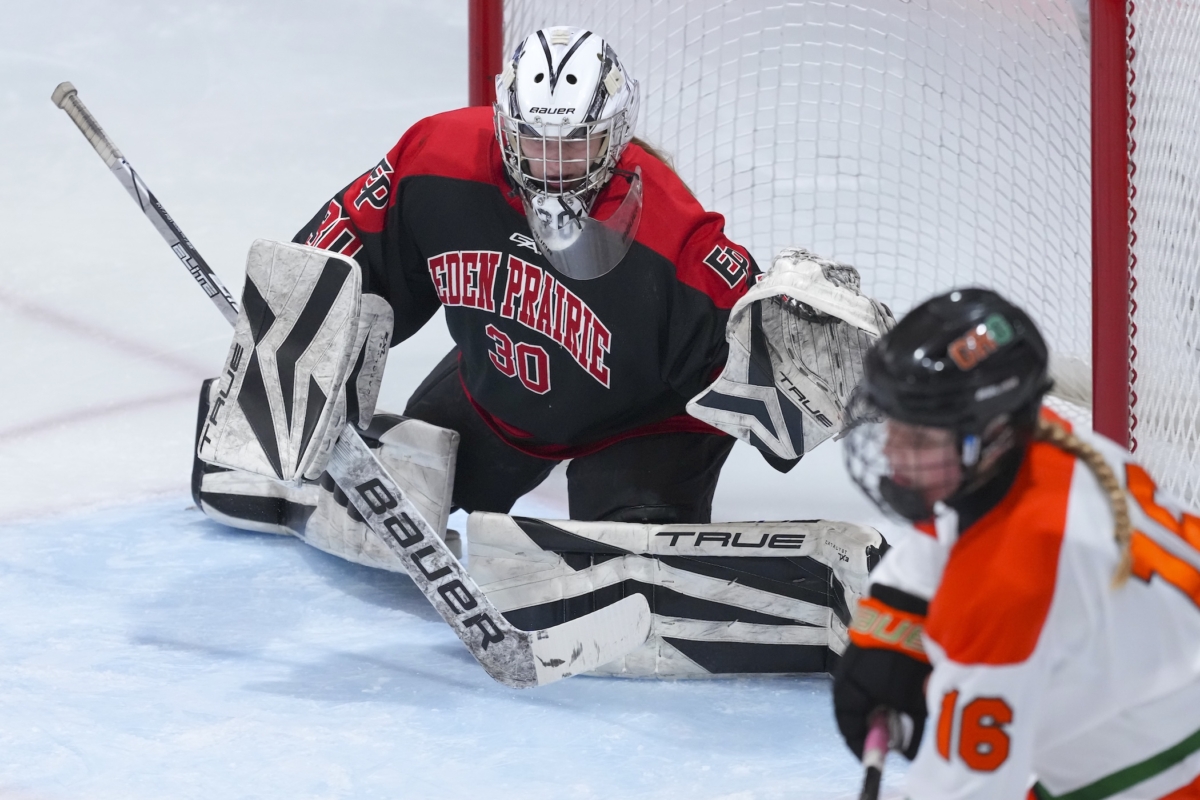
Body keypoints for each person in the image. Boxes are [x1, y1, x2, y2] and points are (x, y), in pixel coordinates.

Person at [834, 287, 1200, 799]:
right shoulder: (1044, 451)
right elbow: (950, 528)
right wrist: (896, 614)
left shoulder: (1008, 582)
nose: (892, 451)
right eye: (894, 425)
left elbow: (960, 790)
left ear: (992, 435)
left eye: (919, 439)